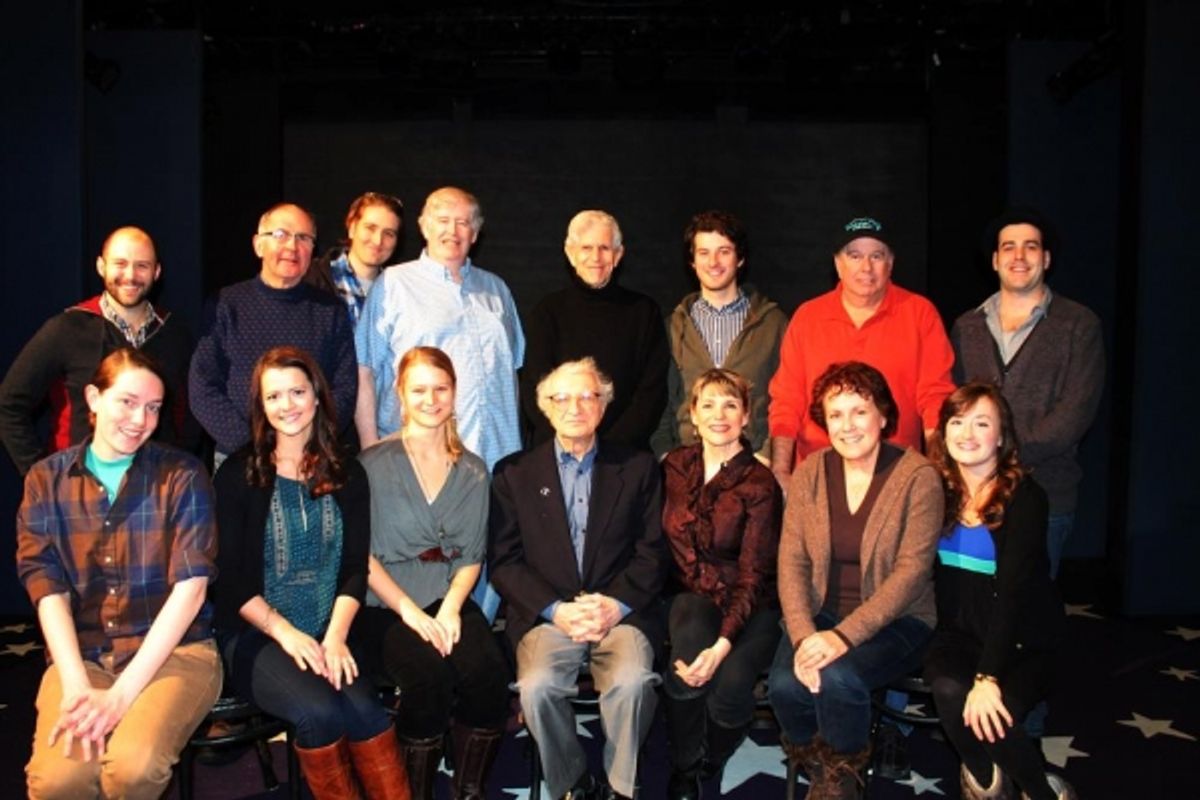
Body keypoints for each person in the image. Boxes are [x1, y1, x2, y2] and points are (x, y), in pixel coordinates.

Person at [16, 348, 221, 799]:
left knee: (132, 768)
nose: (140, 419)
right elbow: (46, 589)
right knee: (58, 782)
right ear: (93, 398)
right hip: (84, 657)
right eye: (127, 402)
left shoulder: (182, 475)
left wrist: (121, 697)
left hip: (177, 654)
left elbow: (190, 593)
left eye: (153, 408)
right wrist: (75, 685)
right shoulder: (44, 480)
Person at [213, 346, 408, 800]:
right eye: (274, 396)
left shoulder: (348, 473)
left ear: (317, 396)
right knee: (319, 713)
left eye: (297, 392)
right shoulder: (238, 474)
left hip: (330, 628)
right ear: (261, 406)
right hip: (257, 633)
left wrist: (335, 636)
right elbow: (232, 579)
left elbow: (353, 566)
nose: (287, 406)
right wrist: (287, 634)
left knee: (367, 714)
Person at [490, 357, 667, 800]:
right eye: (561, 398)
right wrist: (557, 610)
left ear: (603, 406)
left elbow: (653, 554)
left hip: (621, 613)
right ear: (544, 408)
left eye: (588, 396)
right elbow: (505, 561)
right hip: (550, 617)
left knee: (634, 683)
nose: (575, 407)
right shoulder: (513, 474)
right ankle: (571, 781)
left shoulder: (639, 468)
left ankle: (619, 786)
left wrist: (614, 605)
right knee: (537, 688)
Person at [767, 361, 942, 799]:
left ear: (883, 415)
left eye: (859, 411)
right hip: (820, 612)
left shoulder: (919, 478)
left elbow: (911, 573)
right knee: (785, 686)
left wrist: (841, 638)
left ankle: (840, 779)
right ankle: (822, 765)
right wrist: (807, 635)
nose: (848, 425)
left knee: (840, 679)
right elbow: (791, 562)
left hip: (897, 620)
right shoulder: (809, 473)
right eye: (836, 414)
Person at [355, 185, 524, 619]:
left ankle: (473, 642)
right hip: (420, 464)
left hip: (494, 457)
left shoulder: (496, 290)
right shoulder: (394, 284)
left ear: (477, 231)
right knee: (420, 567)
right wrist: (372, 447)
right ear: (424, 226)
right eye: (443, 219)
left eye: (465, 221)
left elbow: (514, 369)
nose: (454, 230)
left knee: (487, 565)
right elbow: (366, 371)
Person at [353, 346, 511, 800]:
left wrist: (453, 611)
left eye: (440, 388)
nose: (430, 398)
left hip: (447, 594)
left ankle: (468, 788)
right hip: (384, 603)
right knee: (428, 678)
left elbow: (471, 557)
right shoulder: (371, 465)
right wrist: (412, 614)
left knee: (488, 674)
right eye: (418, 389)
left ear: (455, 394)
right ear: (400, 395)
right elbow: (362, 558)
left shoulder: (475, 470)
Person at [924, 383, 1074, 800]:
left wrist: (987, 676)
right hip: (956, 636)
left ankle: (1041, 791)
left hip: (1022, 640)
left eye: (981, 422)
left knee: (992, 711)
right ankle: (986, 782)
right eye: (957, 421)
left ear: (1002, 436)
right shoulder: (935, 491)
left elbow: (1012, 593)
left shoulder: (1026, 497)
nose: (967, 433)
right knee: (950, 692)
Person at [950, 207, 1104, 577]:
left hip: (1046, 495)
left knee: (1030, 615)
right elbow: (955, 405)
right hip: (974, 499)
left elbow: (1075, 413)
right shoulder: (966, 326)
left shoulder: (1078, 325)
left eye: (1030, 247)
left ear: (1046, 258)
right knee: (972, 609)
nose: (1018, 257)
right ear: (994, 259)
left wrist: (1000, 453)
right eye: (1009, 247)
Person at [660, 369, 783, 799]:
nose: (719, 414)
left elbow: (754, 574)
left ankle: (710, 755)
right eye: (708, 404)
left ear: (747, 416)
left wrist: (724, 643)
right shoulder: (674, 466)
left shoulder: (760, 483)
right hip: (690, 595)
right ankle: (684, 766)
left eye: (731, 404)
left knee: (730, 687)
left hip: (752, 603)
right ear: (692, 414)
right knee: (688, 654)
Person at [768, 216, 955, 487]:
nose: (866, 267)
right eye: (854, 256)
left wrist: (938, 473)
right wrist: (780, 472)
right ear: (838, 264)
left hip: (897, 475)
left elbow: (936, 398)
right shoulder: (808, 317)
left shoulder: (919, 313)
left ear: (890, 263)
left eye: (876, 256)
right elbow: (787, 400)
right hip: (818, 475)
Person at [0, 226, 199, 475]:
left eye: (142, 266)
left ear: (157, 272)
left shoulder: (176, 334)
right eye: (120, 263)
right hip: (78, 490)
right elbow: (9, 403)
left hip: (156, 491)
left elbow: (193, 410)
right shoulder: (67, 329)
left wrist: (177, 466)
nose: (130, 275)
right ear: (101, 266)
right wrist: (41, 476)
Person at [189, 203, 357, 461]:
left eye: (303, 238)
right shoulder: (225, 304)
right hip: (239, 457)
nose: (292, 246)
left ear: (313, 249)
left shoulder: (330, 310)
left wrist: (311, 443)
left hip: (312, 456)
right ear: (258, 245)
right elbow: (202, 386)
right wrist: (252, 446)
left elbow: (344, 388)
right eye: (281, 235)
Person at [520, 209, 669, 451]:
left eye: (604, 248)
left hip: (624, 454)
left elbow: (651, 392)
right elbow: (535, 389)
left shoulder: (644, 312)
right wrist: (570, 443)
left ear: (618, 255)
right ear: (570, 254)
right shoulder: (548, 312)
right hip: (558, 451)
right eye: (586, 248)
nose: (596, 257)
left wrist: (606, 448)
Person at [653, 210, 788, 460]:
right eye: (704, 253)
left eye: (724, 251)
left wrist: (769, 457)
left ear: (740, 258)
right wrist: (667, 458)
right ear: (692, 261)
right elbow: (659, 403)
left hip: (754, 465)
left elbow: (787, 400)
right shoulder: (671, 328)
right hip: (688, 470)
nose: (713, 262)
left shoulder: (773, 324)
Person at [305, 192, 405, 326]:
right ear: (352, 228)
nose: (378, 241)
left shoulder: (399, 289)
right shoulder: (311, 278)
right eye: (370, 228)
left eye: (389, 233)